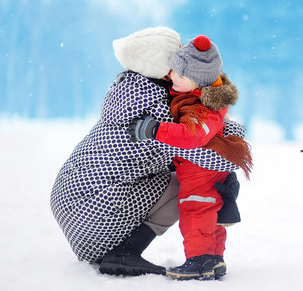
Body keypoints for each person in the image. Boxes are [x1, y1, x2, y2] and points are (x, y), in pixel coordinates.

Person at [50, 27, 245, 277]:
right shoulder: (156, 109)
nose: (179, 62)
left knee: (195, 174)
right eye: (175, 57)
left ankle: (126, 251)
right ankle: (125, 252)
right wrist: (227, 169)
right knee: (192, 186)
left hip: (73, 199)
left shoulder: (131, 89)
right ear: (161, 63)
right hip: (93, 210)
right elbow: (209, 149)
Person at [127, 35, 252, 280]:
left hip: (200, 172)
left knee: (196, 212)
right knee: (209, 213)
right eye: (173, 70)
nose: (172, 77)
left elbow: (190, 135)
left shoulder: (204, 110)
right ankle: (214, 259)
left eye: (179, 75)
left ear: (197, 84)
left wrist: (154, 129)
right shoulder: (194, 93)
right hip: (198, 170)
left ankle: (200, 259)